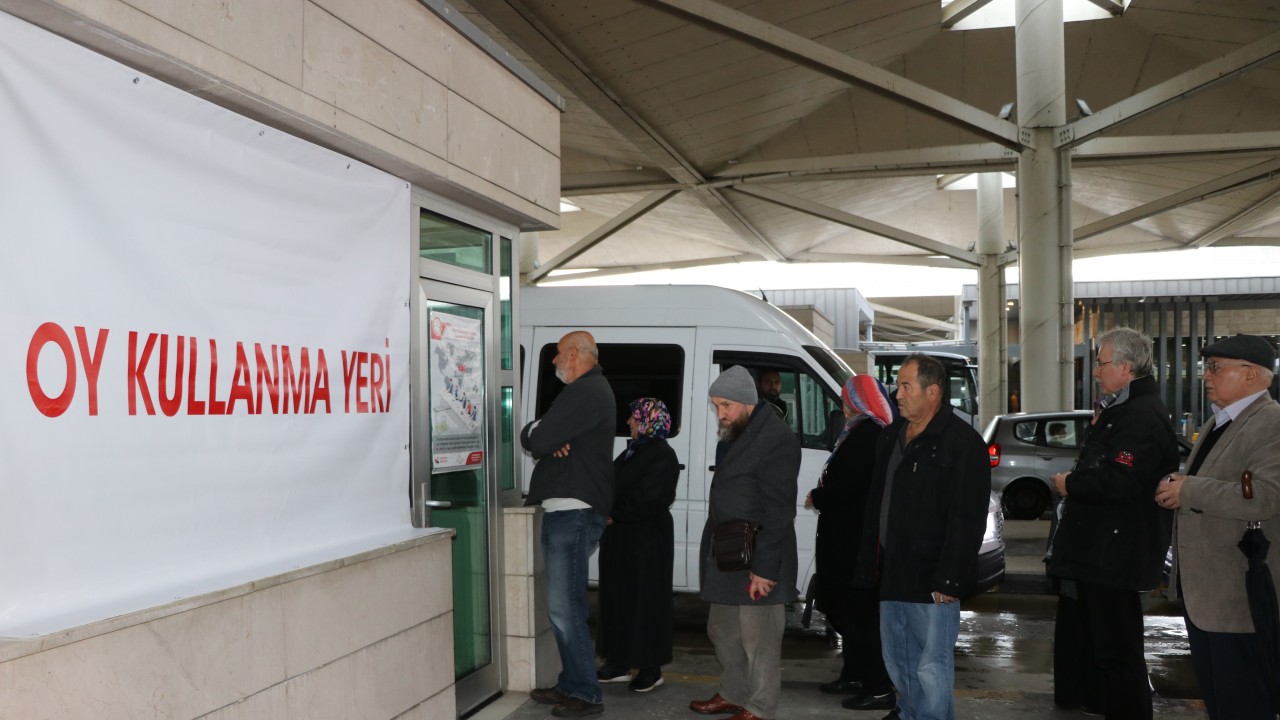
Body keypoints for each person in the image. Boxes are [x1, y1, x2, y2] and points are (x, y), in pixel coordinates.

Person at [1046, 327, 1179, 720]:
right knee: (1100, 644)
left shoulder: (1140, 415)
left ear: (1125, 367)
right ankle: (1095, 701)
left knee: (1118, 651)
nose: (1096, 371)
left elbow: (1119, 481)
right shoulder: (1120, 409)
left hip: (1115, 554)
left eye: (1102, 364)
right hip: (1101, 551)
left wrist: (1070, 484)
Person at [854, 353, 990, 720]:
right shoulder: (891, 435)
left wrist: (951, 577)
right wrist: (870, 562)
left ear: (933, 392)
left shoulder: (962, 442)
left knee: (931, 665)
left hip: (933, 579)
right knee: (898, 659)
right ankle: (909, 714)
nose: (896, 394)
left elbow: (967, 518)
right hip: (892, 572)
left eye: (905, 386)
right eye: (898, 386)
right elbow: (876, 503)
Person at [1155, 334, 1280, 720]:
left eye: (1215, 368)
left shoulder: (1271, 422)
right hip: (1208, 597)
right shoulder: (1219, 421)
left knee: (1243, 704)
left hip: (1239, 599)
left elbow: (1266, 495)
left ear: (1251, 375)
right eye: (1206, 367)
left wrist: (1190, 489)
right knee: (1221, 703)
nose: (1205, 375)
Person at [689, 365, 801, 720]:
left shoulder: (776, 438)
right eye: (716, 406)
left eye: (726, 405)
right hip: (729, 552)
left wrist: (764, 569)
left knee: (759, 637)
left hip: (758, 554)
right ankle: (733, 692)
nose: (720, 414)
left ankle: (760, 706)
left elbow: (779, 510)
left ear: (748, 401)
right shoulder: (738, 431)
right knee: (722, 629)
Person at [521, 331, 616, 718]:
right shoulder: (585, 393)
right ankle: (571, 682)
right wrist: (543, 432)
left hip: (572, 511)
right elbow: (540, 435)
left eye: (559, 354)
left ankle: (586, 693)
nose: (554, 361)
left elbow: (538, 439)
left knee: (565, 609)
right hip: (568, 510)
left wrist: (542, 433)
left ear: (575, 354)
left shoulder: (585, 391)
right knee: (563, 607)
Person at [804, 376, 897, 712]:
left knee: (857, 615)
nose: (843, 406)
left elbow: (847, 487)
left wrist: (818, 496)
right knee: (846, 610)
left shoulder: (867, 435)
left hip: (854, 541)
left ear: (859, 401)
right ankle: (855, 673)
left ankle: (878, 688)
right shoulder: (860, 432)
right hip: (847, 537)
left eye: (847, 399)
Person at [595, 397, 681, 694]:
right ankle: (619, 662)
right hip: (622, 538)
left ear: (648, 421)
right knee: (619, 599)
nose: (629, 421)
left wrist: (614, 513)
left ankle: (650, 669)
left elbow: (650, 498)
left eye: (634, 417)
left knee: (645, 602)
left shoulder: (663, 455)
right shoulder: (632, 451)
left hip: (647, 542)